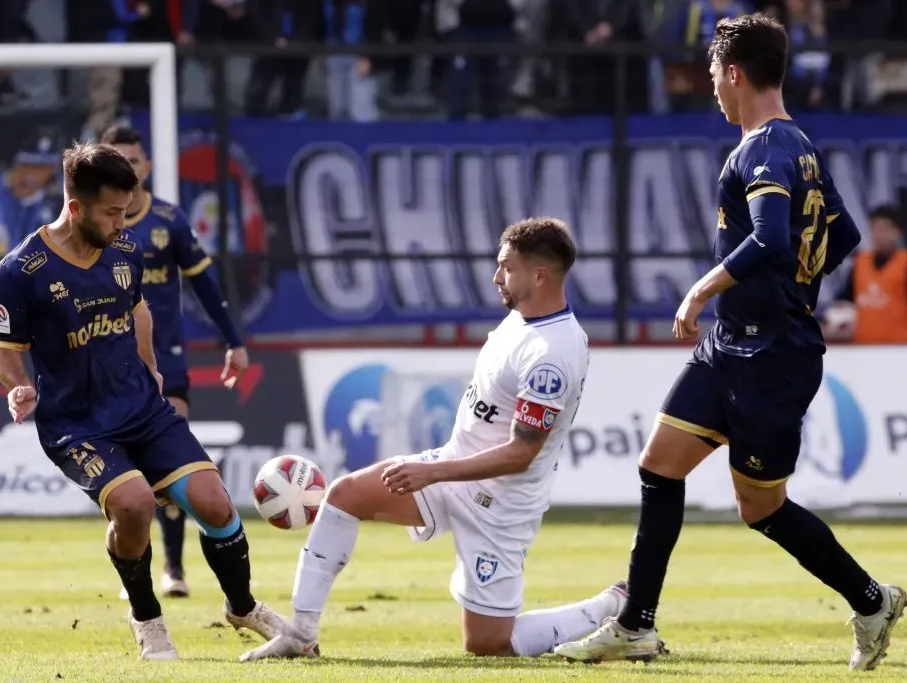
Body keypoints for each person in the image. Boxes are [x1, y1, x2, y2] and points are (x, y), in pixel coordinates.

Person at [553, 14, 907, 671]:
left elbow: (771, 238)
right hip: (732, 344)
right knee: (659, 466)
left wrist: (703, 288)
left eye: (714, 73)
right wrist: (794, 289)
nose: (712, 85)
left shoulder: (764, 149)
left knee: (761, 508)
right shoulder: (799, 145)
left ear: (735, 73)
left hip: (772, 356)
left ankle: (871, 599)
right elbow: (844, 236)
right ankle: (635, 625)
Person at [240, 217, 636, 661]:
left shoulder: (553, 354)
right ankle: (300, 634)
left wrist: (432, 472)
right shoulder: (520, 320)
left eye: (507, 267)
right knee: (345, 495)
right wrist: (438, 469)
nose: (496, 276)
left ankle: (612, 605)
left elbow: (521, 454)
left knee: (487, 644)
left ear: (540, 275)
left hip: (501, 505)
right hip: (453, 467)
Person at [0, 142, 284, 660]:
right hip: (77, 425)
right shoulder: (23, 268)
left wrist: (150, 365)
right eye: (111, 213)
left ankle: (242, 607)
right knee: (134, 503)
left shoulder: (125, 248)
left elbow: (137, 309)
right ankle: (147, 617)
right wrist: (16, 384)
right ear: (75, 207)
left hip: (142, 408)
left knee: (215, 503)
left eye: (125, 211)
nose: (122, 223)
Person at [101, 124, 249, 600]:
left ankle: (174, 567)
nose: (127, 168)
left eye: (133, 160)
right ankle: (136, 564)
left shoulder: (168, 219)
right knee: (130, 478)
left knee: (171, 461)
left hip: (166, 359)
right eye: (117, 160)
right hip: (109, 362)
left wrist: (234, 340)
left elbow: (204, 283)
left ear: (146, 166)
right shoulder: (94, 225)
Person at [829, 205, 907, 344]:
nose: (879, 235)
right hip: (864, 346)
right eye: (875, 229)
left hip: (901, 347)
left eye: (885, 229)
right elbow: (845, 299)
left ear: (897, 232)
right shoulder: (860, 262)